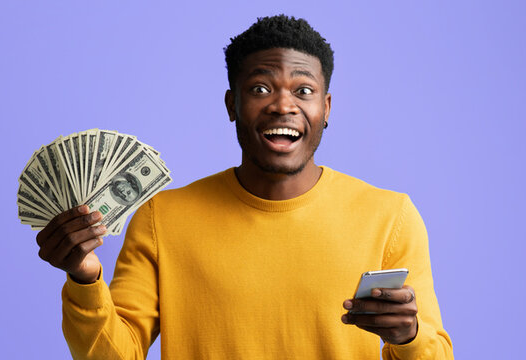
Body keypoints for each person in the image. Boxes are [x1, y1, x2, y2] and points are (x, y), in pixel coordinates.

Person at [35, 15, 454, 359]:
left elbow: (432, 349)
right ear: (232, 104)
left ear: (325, 109)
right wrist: (85, 278)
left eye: (304, 90)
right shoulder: (162, 218)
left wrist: (409, 338)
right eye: (260, 88)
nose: (283, 104)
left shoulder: (390, 217)